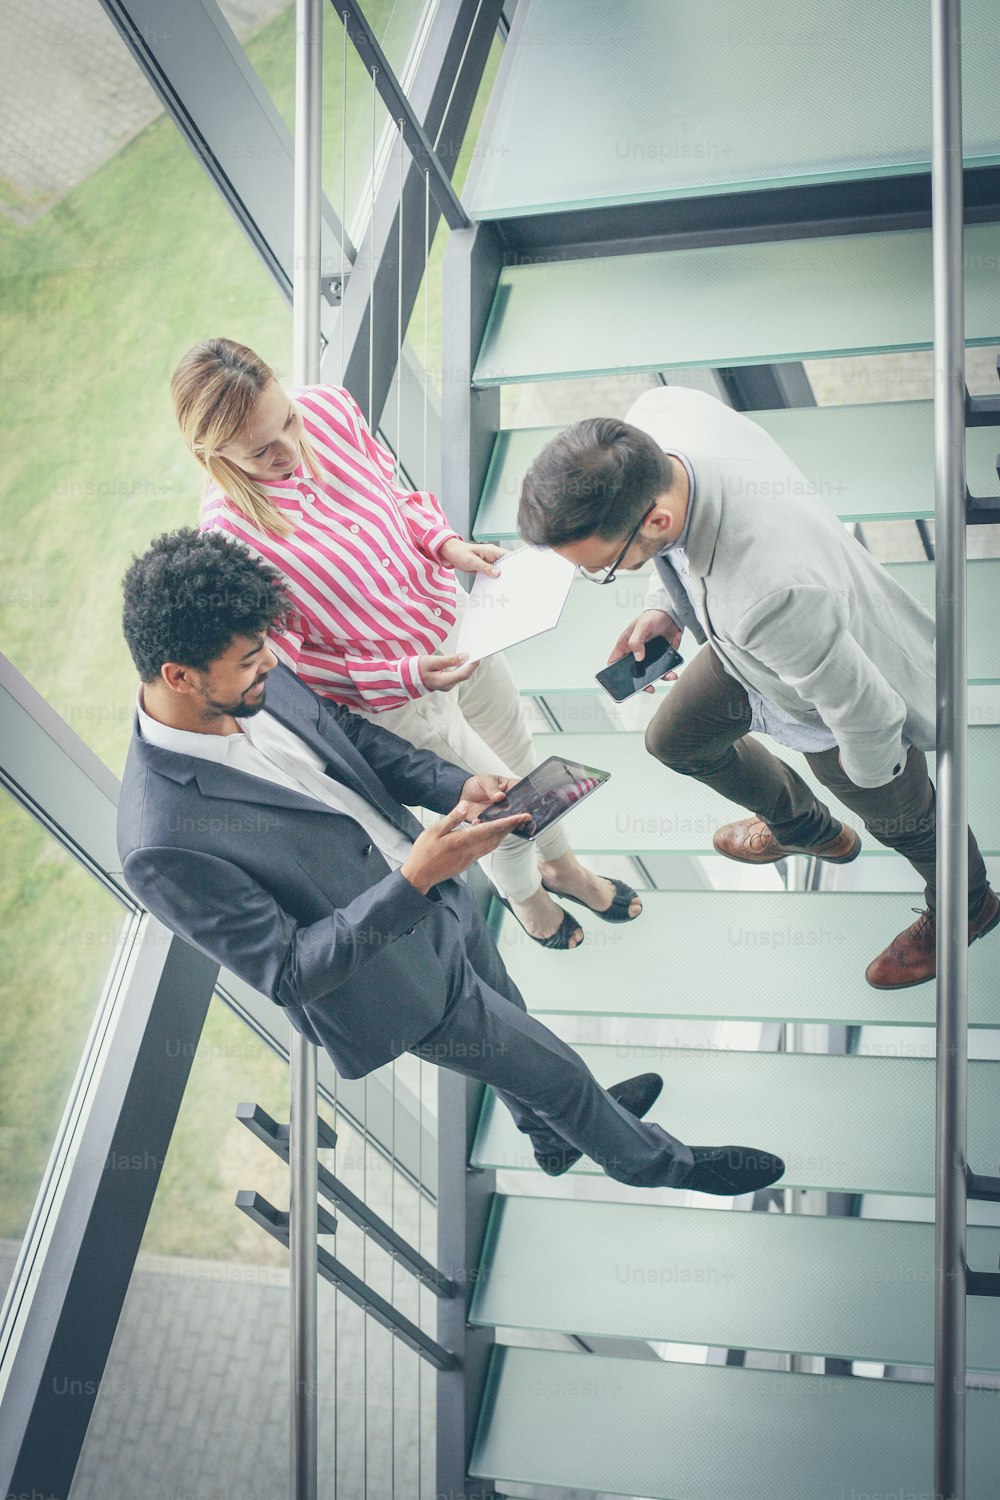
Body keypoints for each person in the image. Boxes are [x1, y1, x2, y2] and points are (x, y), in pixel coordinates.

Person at [114, 529, 785, 1196]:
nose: (269, 666)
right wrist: (414, 881)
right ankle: (662, 1166)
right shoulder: (161, 842)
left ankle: (550, 1136)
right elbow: (289, 971)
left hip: (440, 897)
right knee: (558, 1074)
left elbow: (348, 740)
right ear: (179, 676)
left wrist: (451, 786)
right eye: (250, 660)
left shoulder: (249, 669)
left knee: (513, 1011)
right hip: (395, 981)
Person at [517, 386, 999, 990]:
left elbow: (867, 712)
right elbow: (674, 552)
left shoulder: (767, 594)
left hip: (835, 705)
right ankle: (808, 831)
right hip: (749, 655)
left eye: (603, 565)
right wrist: (664, 605)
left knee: (908, 822)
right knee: (674, 740)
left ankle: (969, 904)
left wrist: (871, 786)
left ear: (658, 521)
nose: (598, 574)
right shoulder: (658, 418)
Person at [169, 337, 641, 951]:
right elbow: (302, 661)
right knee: (502, 805)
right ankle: (525, 895)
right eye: (262, 450)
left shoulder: (330, 410)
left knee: (525, 760)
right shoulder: (229, 539)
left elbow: (396, 500)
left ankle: (562, 868)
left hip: (461, 630)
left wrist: (445, 545)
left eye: (287, 420)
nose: (290, 448)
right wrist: (409, 673)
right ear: (214, 455)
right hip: (397, 695)